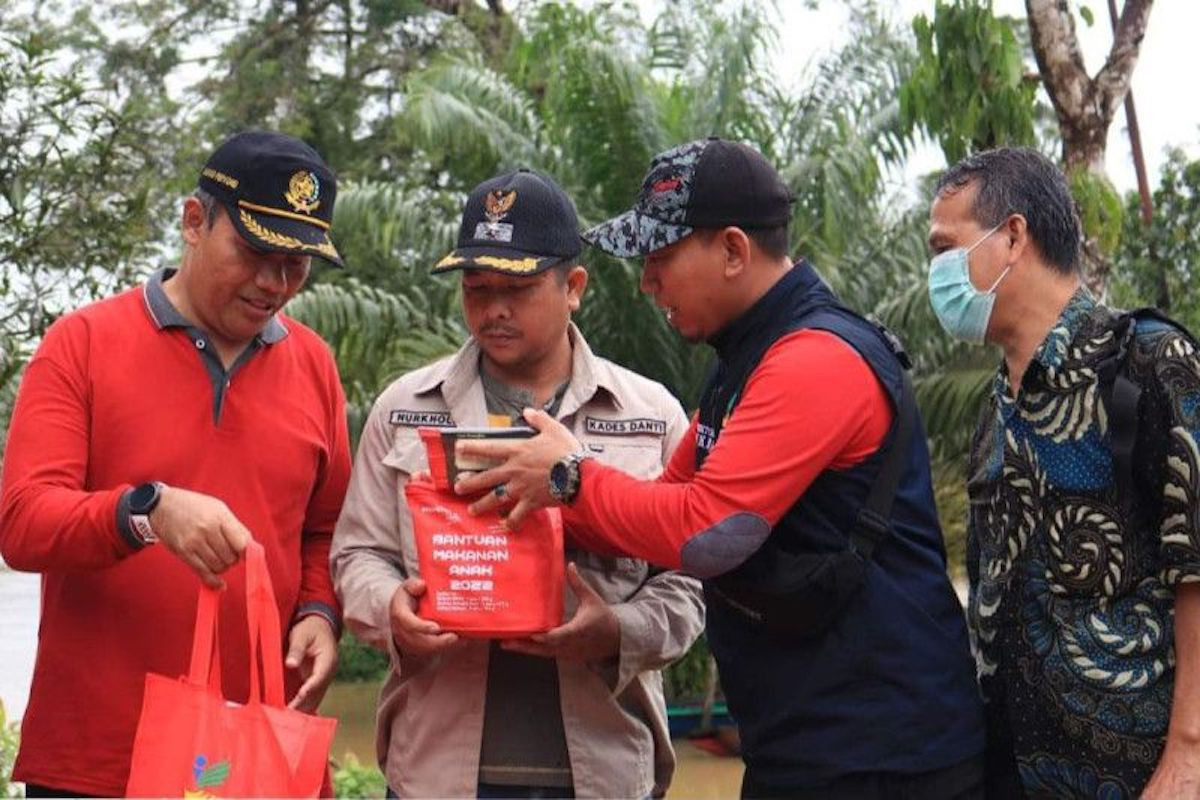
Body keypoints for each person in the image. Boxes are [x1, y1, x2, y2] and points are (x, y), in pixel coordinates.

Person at [454, 138, 987, 799]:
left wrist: (567, 476)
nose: (647, 281)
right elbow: (658, 507)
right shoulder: (744, 364)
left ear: (734, 250)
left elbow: (706, 533)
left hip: (888, 757)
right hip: (806, 744)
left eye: (661, 257)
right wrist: (484, 529)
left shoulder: (814, 359)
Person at [329, 168, 705, 799]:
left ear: (574, 287)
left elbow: (690, 580)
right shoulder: (405, 408)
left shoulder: (648, 414)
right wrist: (393, 614)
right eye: (477, 288)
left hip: (602, 773)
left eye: (518, 288)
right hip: (437, 774)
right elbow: (359, 552)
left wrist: (617, 630)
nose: (493, 309)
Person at [0, 130, 351, 797]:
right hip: (98, 762)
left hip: (255, 758)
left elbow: (326, 530)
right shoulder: (81, 345)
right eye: (254, 253)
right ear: (194, 222)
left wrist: (318, 612)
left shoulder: (314, 367)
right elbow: (21, 524)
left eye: (297, 264)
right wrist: (144, 510)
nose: (275, 283)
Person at [924, 146, 1200, 799]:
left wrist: (1189, 752)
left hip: (1136, 775)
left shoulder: (1149, 362)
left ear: (1013, 235)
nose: (935, 271)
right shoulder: (997, 409)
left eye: (945, 246)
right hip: (1006, 769)